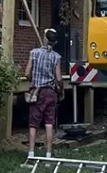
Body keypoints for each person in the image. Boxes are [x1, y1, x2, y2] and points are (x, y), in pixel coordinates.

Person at [25, 28, 62, 159]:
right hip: (50, 92)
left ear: (45, 39)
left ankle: (31, 153)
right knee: (49, 123)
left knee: (33, 123)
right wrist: (60, 89)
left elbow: (27, 73)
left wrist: (33, 80)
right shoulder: (56, 57)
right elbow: (58, 78)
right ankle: (48, 154)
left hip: (37, 91)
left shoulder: (33, 53)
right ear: (55, 42)